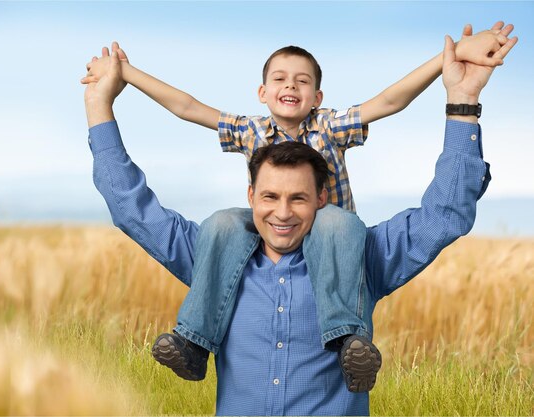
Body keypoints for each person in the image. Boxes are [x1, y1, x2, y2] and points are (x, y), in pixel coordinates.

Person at [84, 27, 516, 414]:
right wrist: (101, 101)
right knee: (221, 223)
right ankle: (193, 341)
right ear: (251, 196)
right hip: (231, 239)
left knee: (339, 227)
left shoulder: (361, 258)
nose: (284, 212)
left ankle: (348, 336)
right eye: (270, 196)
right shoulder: (216, 254)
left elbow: (445, 211)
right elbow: (131, 205)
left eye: (299, 198)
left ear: (321, 197)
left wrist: (462, 101)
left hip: (343, 238)